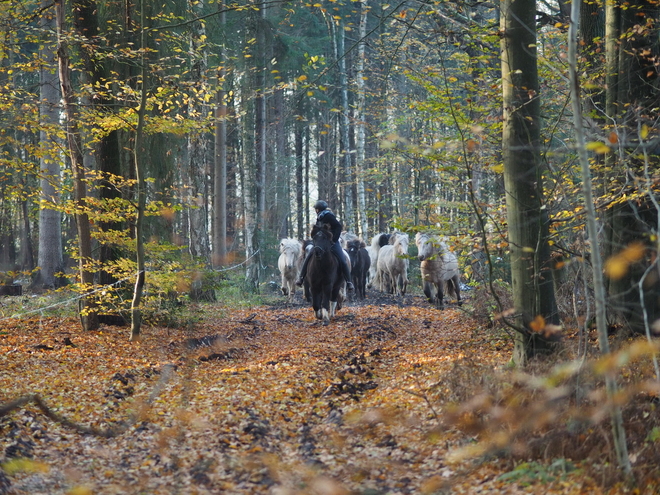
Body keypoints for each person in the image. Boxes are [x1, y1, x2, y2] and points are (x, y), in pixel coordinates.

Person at [296, 200, 354, 291]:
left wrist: (334, 240)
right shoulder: (319, 217)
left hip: (332, 242)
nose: (315, 210)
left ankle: (349, 281)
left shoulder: (329, 216)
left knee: (342, 260)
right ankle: (301, 278)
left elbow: (338, 226)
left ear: (318, 209)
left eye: (316, 209)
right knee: (309, 257)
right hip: (321, 243)